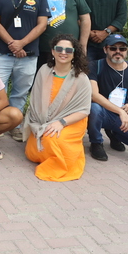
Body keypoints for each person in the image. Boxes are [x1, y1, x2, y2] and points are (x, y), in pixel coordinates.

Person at [0, 0, 50, 142]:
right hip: (3, 54)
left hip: (29, 55)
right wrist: (12, 45)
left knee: (20, 93)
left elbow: (42, 25)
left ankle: (14, 125)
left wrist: (21, 43)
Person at [23, 34, 92, 182]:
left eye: (68, 50)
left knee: (52, 139)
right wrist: (40, 123)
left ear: (74, 54)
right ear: (53, 52)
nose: (63, 52)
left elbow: (84, 110)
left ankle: (67, 157)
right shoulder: (43, 71)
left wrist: (60, 122)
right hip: (43, 120)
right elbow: (34, 101)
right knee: (32, 151)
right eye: (59, 49)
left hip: (70, 122)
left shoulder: (82, 79)